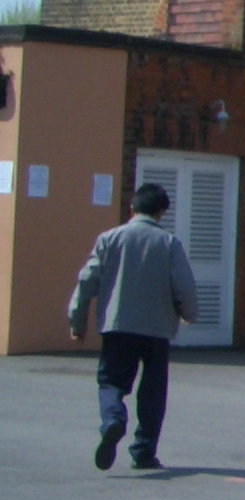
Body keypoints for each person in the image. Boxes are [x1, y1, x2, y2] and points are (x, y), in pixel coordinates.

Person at [68, 180, 199, 472]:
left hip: (118, 324)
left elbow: (86, 281)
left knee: (111, 380)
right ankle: (143, 450)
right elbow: (184, 286)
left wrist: (77, 321)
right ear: (161, 211)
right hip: (157, 328)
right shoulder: (169, 243)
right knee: (153, 390)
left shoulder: (109, 239)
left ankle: (113, 418)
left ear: (132, 208)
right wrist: (189, 313)